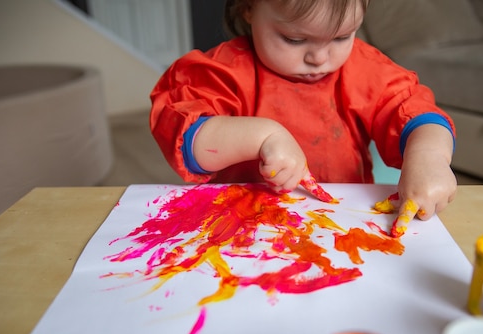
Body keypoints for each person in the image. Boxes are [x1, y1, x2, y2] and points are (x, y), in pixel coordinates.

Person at [150, 0, 457, 220]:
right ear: (248, 8)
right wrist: (262, 136)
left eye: (341, 36)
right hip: (241, 224)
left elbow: (411, 109)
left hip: (343, 221)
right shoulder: (222, 72)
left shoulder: (364, 69)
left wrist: (429, 155)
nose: (320, 57)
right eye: (295, 39)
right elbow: (187, 139)